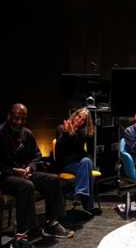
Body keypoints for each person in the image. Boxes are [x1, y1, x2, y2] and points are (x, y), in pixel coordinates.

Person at [0, 103, 74, 241]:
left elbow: (37, 155)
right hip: (6, 176)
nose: (19, 122)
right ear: (9, 116)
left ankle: (51, 223)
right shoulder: (1, 133)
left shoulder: (26, 133)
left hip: (25, 173)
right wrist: (13, 170)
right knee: (26, 186)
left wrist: (30, 167)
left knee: (53, 179)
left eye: (23, 119)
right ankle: (24, 231)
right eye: (16, 118)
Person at [55, 107, 101, 216]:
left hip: (78, 164)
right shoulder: (61, 128)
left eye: (83, 119)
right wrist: (67, 134)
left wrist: (74, 136)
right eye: (79, 116)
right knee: (87, 166)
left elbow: (80, 152)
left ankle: (80, 192)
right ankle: (89, 205)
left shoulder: (81, 133)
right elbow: (59, 151)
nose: (79, 120)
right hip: (65, 164)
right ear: (75, 115)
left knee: (87, 162)